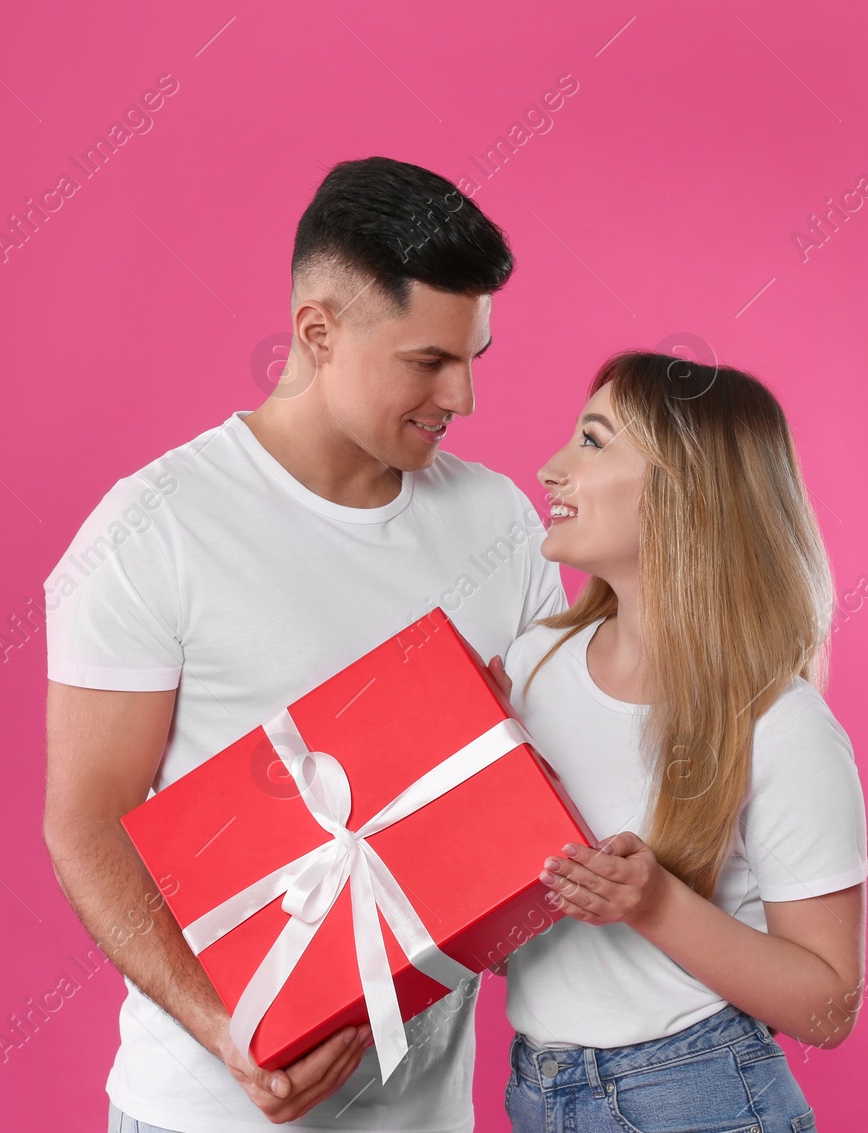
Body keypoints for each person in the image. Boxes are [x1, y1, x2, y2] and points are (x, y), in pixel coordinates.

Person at [42, 155, 566, 1132]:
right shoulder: (154, 527)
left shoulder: (499, 522)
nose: (463, 397)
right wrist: (226, 1027)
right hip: (204, 1114)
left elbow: (548, 790)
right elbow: (84, 822)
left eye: (473, 357)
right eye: (426, 361)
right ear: (317, 331)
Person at [492, 350, 868, 1132]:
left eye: (593, 442)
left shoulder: (782, 724)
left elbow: (829, 1005)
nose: (550, 468)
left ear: (680, 489)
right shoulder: (531, 667)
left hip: (697, 1096)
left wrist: (656, 903)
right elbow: (505, 942)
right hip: (537, 1089)